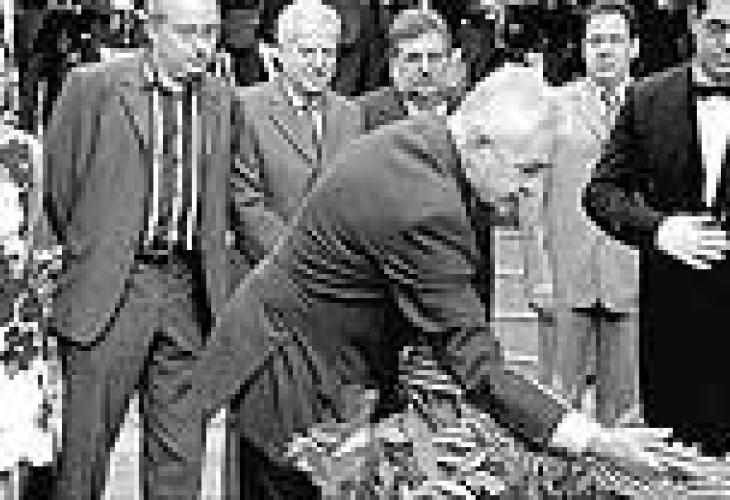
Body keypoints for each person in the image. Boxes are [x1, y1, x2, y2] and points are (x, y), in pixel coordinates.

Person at [168, 62, 708, 497]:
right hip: (293, 376)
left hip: (311, 355)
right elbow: (474, 361)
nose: (531, 190)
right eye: (527, 170)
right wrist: (594, 441)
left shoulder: (428, 142)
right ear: (480, 143)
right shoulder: (425, 206)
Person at [42, 0, 242, 497]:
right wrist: (98, 251)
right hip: (113, 286)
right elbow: (60, 188)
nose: (202, 45)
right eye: (188, 32)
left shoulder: (221, 99)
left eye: (210, 32)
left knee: (180, 458)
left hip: (188, 289)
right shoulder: (93, 88)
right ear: (152, 29)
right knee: (84, 457)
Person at [224, 0, 363, 496]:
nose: (319, 63)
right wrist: (301, 264)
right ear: (279, 53)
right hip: (269, 290)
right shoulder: (247, 108)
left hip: (336, 301)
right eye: (307, 52)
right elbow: (245, 199)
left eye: (328, 52)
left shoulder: (351, 115)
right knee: (263, 433)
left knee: (328, 435)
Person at [584, 0, 730, 457]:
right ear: (693, 23)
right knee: (673, 456)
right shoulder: (648, 98)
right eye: (718, 28)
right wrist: (659, 229)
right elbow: (600, 192)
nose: (729, 43)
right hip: (673, 320)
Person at [522, 0, 641, 426]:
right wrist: (537, 273)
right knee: (555, 407)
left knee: (625, 413)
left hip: (631, 276)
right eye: (595, 41)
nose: (604, 50)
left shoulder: (653, 105)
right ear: (582, 48)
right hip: (565, 276)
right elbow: (531, 195)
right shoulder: (554, 106)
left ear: (634, 48)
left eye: (615, 40)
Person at [358, 8, 466, 132]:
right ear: (395, 65)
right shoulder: (362, 115)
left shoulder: (472, 110)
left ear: (449, 63)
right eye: (413, 58)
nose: (425, 69)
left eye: (434, 57)